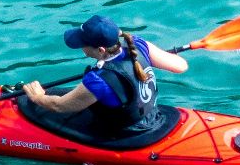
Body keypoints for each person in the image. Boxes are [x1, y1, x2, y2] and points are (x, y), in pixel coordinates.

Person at [21, 15, 190, 143]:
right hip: (152, 117)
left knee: (41, 104)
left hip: (128, 133)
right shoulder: (138, 45)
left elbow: (59, 106)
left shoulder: (99, 80)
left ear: (101, 50)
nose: (81, 47)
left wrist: (37, 97)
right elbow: (180, 66)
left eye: (83, 44)